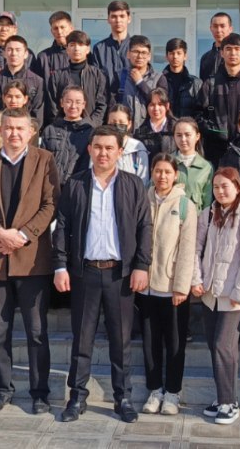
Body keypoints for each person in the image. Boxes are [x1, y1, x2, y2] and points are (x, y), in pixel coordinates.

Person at [54, 126, 153, 424]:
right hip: (84, 273)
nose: (103, 153)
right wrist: (60, 265)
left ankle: (123, 398)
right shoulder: (75, 184)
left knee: (121, 341)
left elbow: (144, 227)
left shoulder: (133, 185)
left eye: (110, 148)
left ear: (120, 152)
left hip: (119, 275)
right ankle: (77, 396)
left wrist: (142, 265)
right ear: (89, 149)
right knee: (82, 339)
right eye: (98, 147)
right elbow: (62, 226)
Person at [0, 107, 59, 414]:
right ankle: (2, 389)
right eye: (8, 128)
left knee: (36, 331)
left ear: (31, 131)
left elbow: (50, 204)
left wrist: (23, 235)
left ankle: (40, 392)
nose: (14, 133)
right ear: (0, 130)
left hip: (31, 258)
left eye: (20, 128)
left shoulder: (45, 160)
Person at [193, 167, 240, 426]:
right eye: (216, 187)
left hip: (233, 294)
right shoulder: (209, 214)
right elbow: (196, 248)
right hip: (210, 292)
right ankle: (224, 397)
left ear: (237, 187)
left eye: (225, 186)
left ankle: (228, 402)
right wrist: (196, 279)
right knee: (216, 346)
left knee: (224, 345)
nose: (220, 191)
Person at [137, 155, 197, 418]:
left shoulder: (185, 205)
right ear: (152, 173)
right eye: (158, 171)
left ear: (176, 175)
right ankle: (155, 390)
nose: (162, 176)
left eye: (167, 172)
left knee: (174, 343)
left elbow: (188, 248)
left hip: (172, 286)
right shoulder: (142, 200)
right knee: (150, 342)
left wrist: (181, 286)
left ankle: (173, 392)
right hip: (146, 285)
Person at [198, 32, 240, 164]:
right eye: (228, 49)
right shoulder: (210, 84)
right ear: (222, 53)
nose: (233, 53)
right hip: (216, 152)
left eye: (237, 49)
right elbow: (198, 115)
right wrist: (213, 130)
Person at [0, 35, 46, 126]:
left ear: (26, 54)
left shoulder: (37, 81)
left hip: (26, 131)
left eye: (18, 50)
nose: (13, 53)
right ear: (4, 53)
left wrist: (26, 130)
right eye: (9, 50)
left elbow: (37, 115)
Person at [45, 29, 108, 126]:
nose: (76, 49)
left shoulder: (97, 75)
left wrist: (91, 124)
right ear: (67, 49)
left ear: (87, 49)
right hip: (63, 128)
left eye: (81, 45)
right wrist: (61, 124)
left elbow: (102, 104)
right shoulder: (57, 76)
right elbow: (53, 106)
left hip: (90, 128)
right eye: (72, 45)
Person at [42, 85, 95, 182]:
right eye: (68, 101)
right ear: (62, 103)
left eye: (78, 102)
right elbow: (42, 160)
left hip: (77, 184)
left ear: (84, 104)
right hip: (49, 183)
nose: (73, 106)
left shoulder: (90, 133)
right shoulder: (50, 130)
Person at [116, 34, 160, 127]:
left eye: (144, 52)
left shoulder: (158, 78)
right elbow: (112, 104)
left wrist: (140, 82)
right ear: (128, 54)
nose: (139, 56)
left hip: (149, 130)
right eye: (136, 52)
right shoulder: (119, 76)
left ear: (149, 56)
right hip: (124, 129)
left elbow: (160, 104)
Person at [92, 0, 133, 90]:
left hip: (131, 97)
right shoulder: (99, 48)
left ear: (129, 19)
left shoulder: (136, 46)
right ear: (108, 19)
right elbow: (95, 79)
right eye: (114, 16)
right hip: (106, 97)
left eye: (122, 16)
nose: (118, 20)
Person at [173, 117, 214, 210]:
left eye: (187, 135)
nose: (183, 139)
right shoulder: (167, 162)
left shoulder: (206, 167)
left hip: (196, 217)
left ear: (197, 136)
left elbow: (207, 200)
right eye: (179, 135)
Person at [161, 37, 202, 119]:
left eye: (179, 53)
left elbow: (200, 111)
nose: (175, 56)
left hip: (188, 126)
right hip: (166, 126)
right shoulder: (160, 81)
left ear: (185, 56)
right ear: (166, 56)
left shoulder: (195, 83)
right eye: (171, 53)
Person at [106, 104, 150, 177]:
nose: (117, 126)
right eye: (113, 123)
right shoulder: (101, 146)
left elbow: (143, 179)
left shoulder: (138, 148)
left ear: (129, 124)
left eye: (121, 123)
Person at [135, 87, 177, 159]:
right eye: (152, 105)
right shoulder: (140, 132)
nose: (156, 108)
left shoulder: (176, 128)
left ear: (167, 106)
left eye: (160, 104)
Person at [34, 10, 73, 79]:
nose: (59, 32)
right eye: (55, 28)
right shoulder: (43, 57)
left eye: (62, 27)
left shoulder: (82, 54)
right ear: (51, 31)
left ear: (71, 28)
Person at [200, 12, 233, 82]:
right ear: (211, 28)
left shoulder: (239, 56)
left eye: (222, 26)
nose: (218, 30)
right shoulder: (205, 58)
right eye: (215, 26)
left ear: (230, 29)